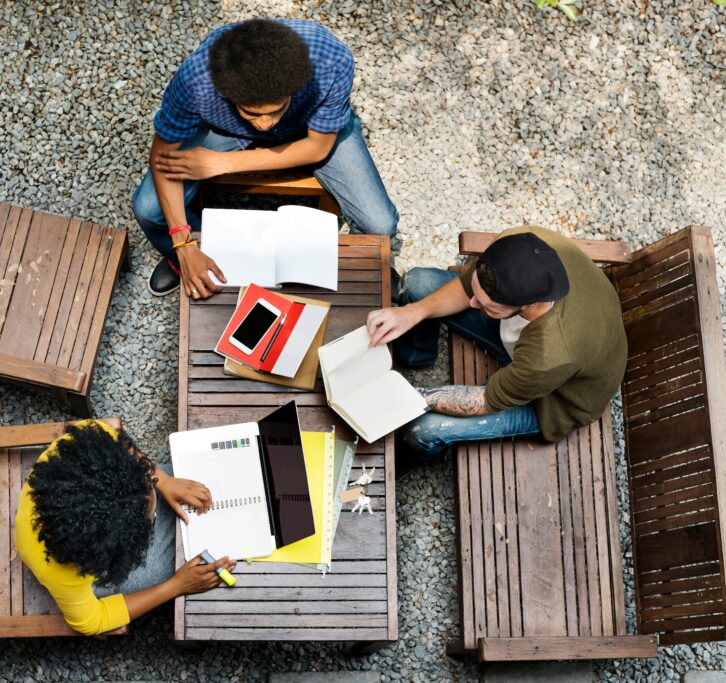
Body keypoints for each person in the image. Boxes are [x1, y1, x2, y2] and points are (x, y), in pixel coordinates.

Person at [132, 18, 398, 298]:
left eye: (276, 109)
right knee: (149, 209)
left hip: (309, 130)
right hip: (228, 130)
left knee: (381, 225)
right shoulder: (196, 79)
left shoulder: (330, 60)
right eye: (252, 113)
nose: (265, 125)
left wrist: (222, 163)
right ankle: (195, 260)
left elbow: (317, 147)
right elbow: (164, 155)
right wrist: (183, 244)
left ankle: (354, 268)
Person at [365, 226, 628, 466]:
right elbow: (469, 288)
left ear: (528, 305)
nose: (473, 306)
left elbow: (486, 399)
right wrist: (412, 313)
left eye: (486, 306)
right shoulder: (519, 248)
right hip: (529, 351)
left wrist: (407, 395)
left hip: (555, 400)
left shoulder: (553, 352)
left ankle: (400, 464)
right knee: (417, 284)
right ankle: (417, 357)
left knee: (424, 429)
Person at [15, 419, 235, 636]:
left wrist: (162, 479)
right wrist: (177, 586)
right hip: (84, 565)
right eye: (152, 516)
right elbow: (90, 622)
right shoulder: (65, 576)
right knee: (171, 561)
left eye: (150, 487)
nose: (155, 509)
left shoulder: (80, 450)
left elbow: (111, 437)